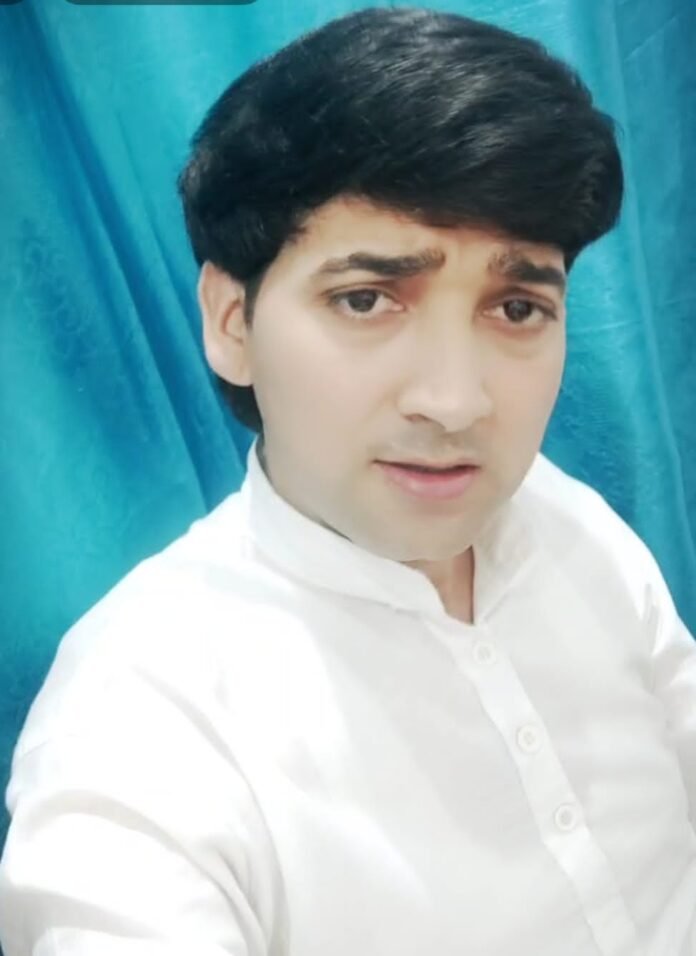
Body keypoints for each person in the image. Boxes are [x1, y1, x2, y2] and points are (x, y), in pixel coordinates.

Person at [1, 5, 695, 954]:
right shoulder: (139, 727)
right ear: (232, 323)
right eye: (366, 299)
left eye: (516, 307)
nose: (455, 403)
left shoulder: (572, 523)